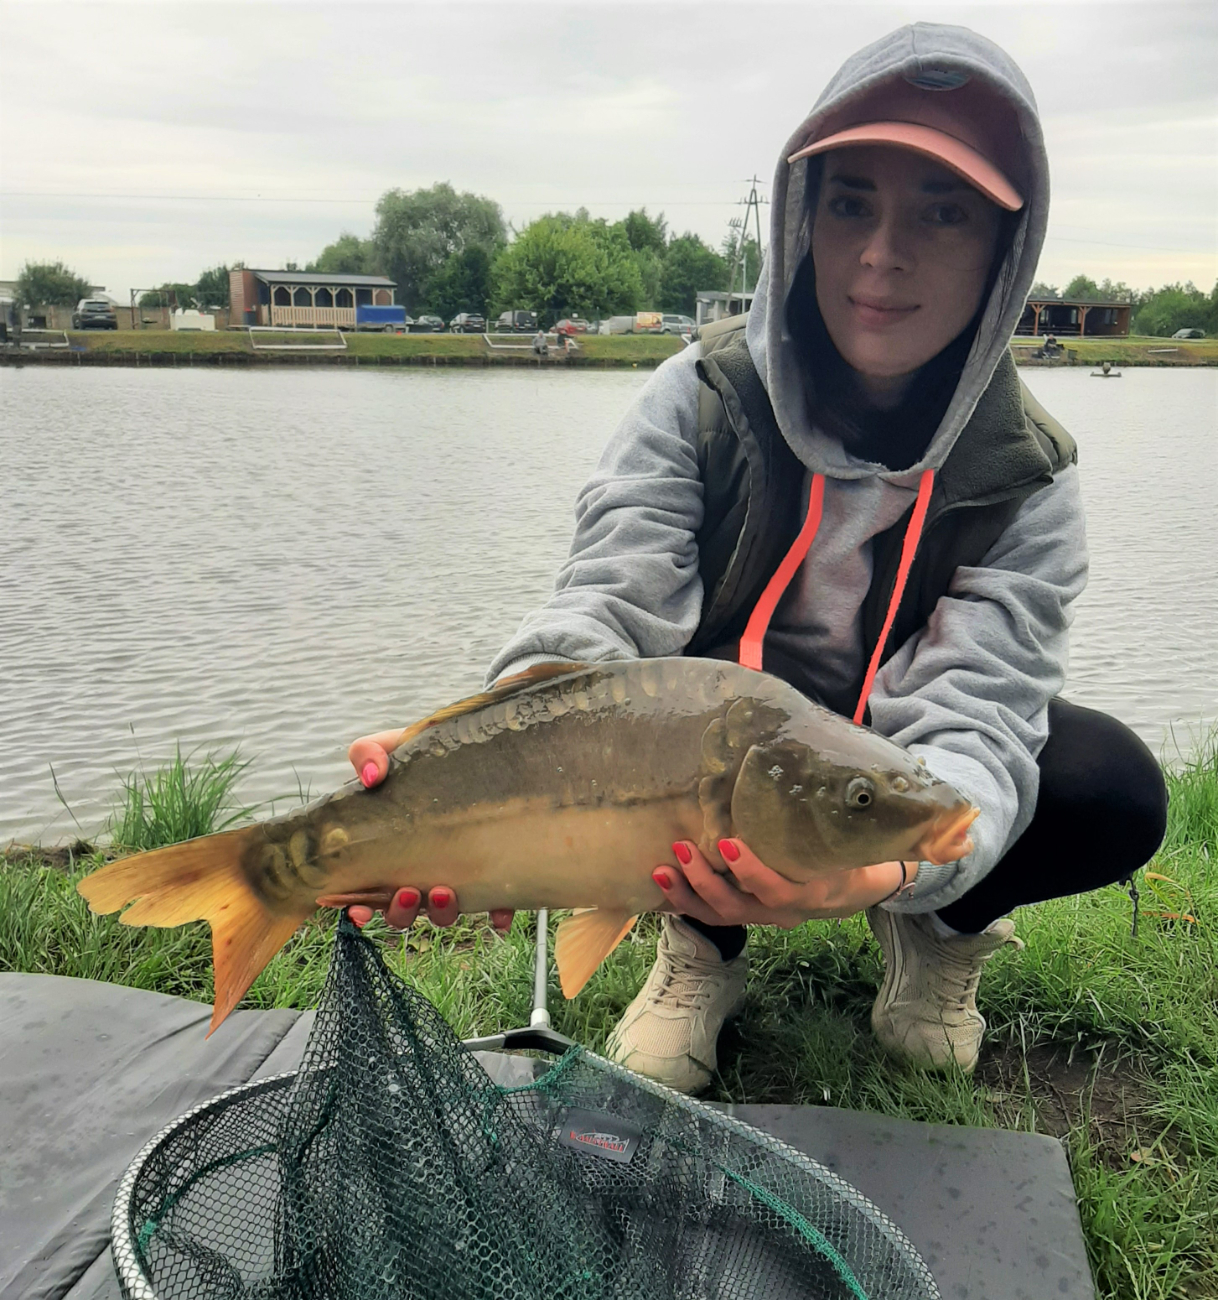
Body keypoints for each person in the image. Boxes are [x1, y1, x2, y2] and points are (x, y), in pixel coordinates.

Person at [348, 22, 1167, 1093]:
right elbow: (605, 616)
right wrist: (479, 748)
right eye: (851, 202)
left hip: (872, 770)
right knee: (660, 749)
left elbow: (983, 707)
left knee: (1105, 785)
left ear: (1006, 248)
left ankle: (942, 931)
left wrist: (893, 867)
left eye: (943, 211)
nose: (884, 251)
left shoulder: (1032, 472)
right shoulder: (696, 397)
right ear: (802, 218)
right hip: (718, 757)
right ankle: (701, 946)